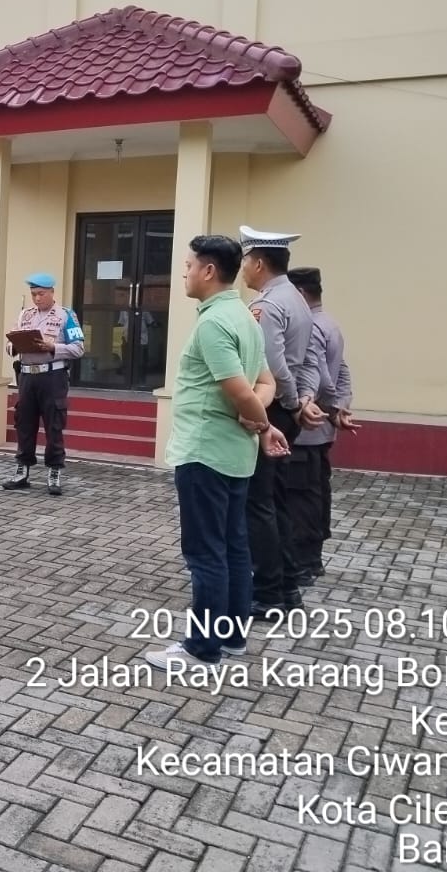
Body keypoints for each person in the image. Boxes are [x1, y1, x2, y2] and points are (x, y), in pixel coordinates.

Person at [145, 236, 289, 671]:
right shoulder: (244, 317)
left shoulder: (215, 323)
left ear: (208, 271)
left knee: (205, 553)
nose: (184, 272)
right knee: (233, 547)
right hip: (234, 454)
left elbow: (243, 391)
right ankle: (232, 637)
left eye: (189, 265)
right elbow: (266, 385)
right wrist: (260, 420)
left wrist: (261, 422)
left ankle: (202, 648)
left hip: (205, 451)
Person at [238, 226, 326, 619]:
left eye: (245, 261)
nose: (242, 268)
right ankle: (288, 585)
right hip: (286, 411)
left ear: (258, 263)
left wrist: (291, 403)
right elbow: (310, 362)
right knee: (275, 501)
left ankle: (268, 592)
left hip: (271, 409)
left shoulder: (268, 305)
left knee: (258, 505)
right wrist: (304, 399)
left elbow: (272, 366)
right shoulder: (298, 300)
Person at [286, 267, 358, 584]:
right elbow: (343, 372)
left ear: (301, 294)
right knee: (316, 494)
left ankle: (302, 563)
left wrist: (322, 405)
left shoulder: (311, 327)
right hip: (322, 430)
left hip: (306, 429)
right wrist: (339, 408)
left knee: (299, 498)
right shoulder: (330, 324)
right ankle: (312, 559)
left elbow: (320, 376)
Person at [2, 273, 86, 495]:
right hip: (27, 377)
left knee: (54, 424)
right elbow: (9, 345)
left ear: (51, 292)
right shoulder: (25, 315)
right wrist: (15, 346)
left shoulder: (66, 315)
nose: (37, 298)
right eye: (33, 294)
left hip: (52, 376)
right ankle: (22, 469)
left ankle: (54, 470)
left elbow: (78, 348)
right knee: (24, 424)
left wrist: (53, 347)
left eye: (41, 294)